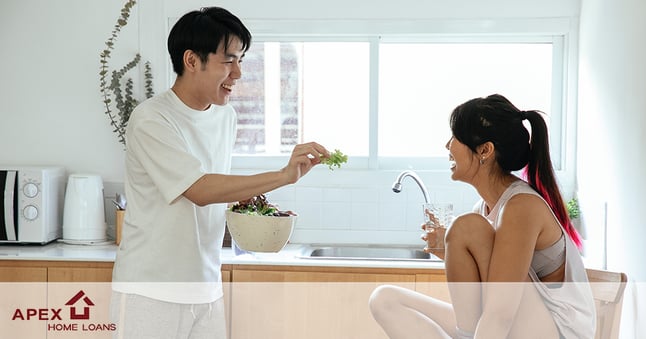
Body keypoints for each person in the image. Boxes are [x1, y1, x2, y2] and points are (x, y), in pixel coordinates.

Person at [110, 7, 329, 338]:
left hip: (206, 287)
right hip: (150, 291)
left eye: (240, 60)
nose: (238, 73)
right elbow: (199, 189)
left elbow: (216, 193)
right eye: (228, 60)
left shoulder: (226, 118)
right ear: (192, 60)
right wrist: (283, 175)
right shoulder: (152, 119)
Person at [369, 94, 595, 339]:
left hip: (556, 331)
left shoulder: (521, 207)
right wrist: (448, 248)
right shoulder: (484, 208)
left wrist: (456, 239)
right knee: (385, 300)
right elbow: (486, 298)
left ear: (485, 150)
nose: (448, 146)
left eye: (455, 137)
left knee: (466, 228)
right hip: (520, 325)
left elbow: (500, 314)